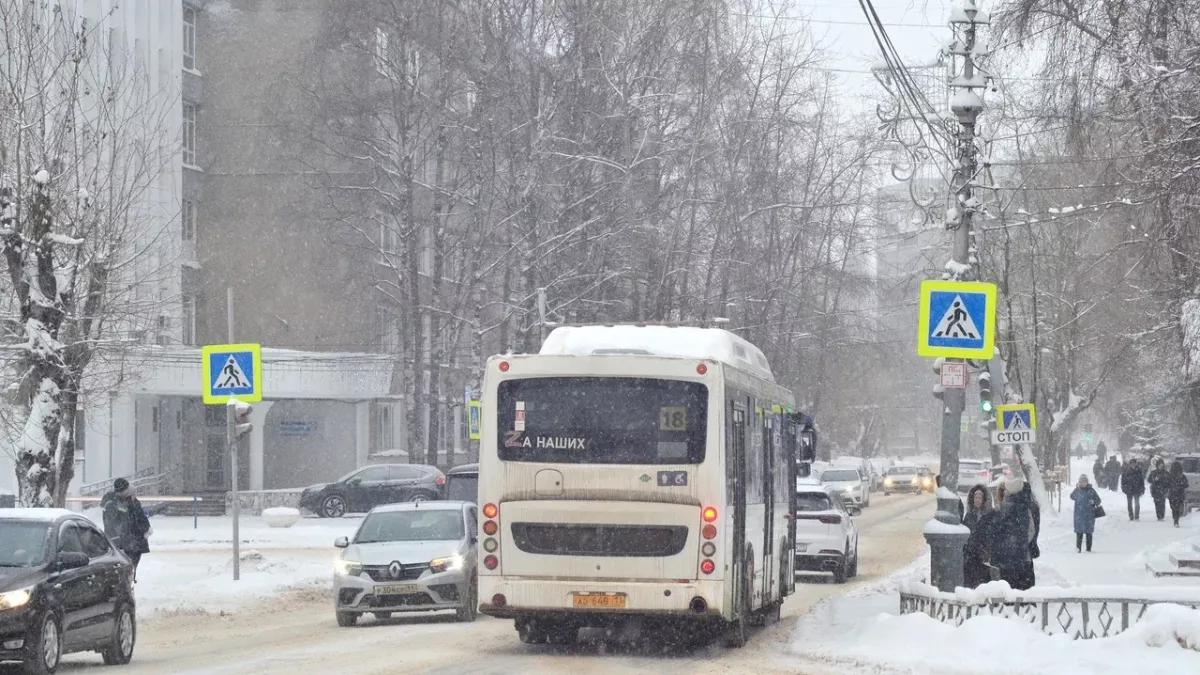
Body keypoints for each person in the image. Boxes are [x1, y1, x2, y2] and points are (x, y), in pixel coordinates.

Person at [990, 476, 1037, 591]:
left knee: (1009, 587)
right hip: (1022, 554)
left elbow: (998, 530)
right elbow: (1032, 530)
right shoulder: (1025, 506)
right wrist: (1023, 542)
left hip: (1007, 554)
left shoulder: (1004, 508)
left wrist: (1005, 545)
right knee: (1023, 587)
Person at [101, 477, 151, 581]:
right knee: (126, 571)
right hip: (126, 543)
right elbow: (116, 525)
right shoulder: (114, 504)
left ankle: (129, 582)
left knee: (130, 569)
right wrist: (119, 540)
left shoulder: (126, 501)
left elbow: (137, 518)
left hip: (132, 542)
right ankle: (127, 585)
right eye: (126, 490)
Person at [961, 484, 996, 588]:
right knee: (970, 581)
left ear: (984, 499)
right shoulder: (969, 515)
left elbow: (992, 532)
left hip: (984, 554)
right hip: (970, 554)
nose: (977, 500)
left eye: (979, 498)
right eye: (975, 497)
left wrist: (986, 548)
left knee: (983, 581)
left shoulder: (991, 514)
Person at [1069, 475, 1102, 552]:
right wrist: (1076, 489)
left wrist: (1094, 501)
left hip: (1089, 515)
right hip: (1079, 515)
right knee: (1079, 532)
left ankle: (1088, 549)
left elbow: (1099, 500)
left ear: (1087, 482)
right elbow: (1071, 496)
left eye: (1084, 482)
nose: (1083, 483)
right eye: (1081, 482)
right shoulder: (1077, 491)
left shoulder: (1092, 491)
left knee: (1089, 532)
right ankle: (1078, 549)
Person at [1167, 460, 1191, 528]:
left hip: (1175, 494)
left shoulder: (1180, 476)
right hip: (1176, 494)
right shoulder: (1177, 476)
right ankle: (1176, 520)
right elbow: (1186, 485)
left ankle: (1175, 519)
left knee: (1175, 508)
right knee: (1176, 508)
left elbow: (1186, 484)